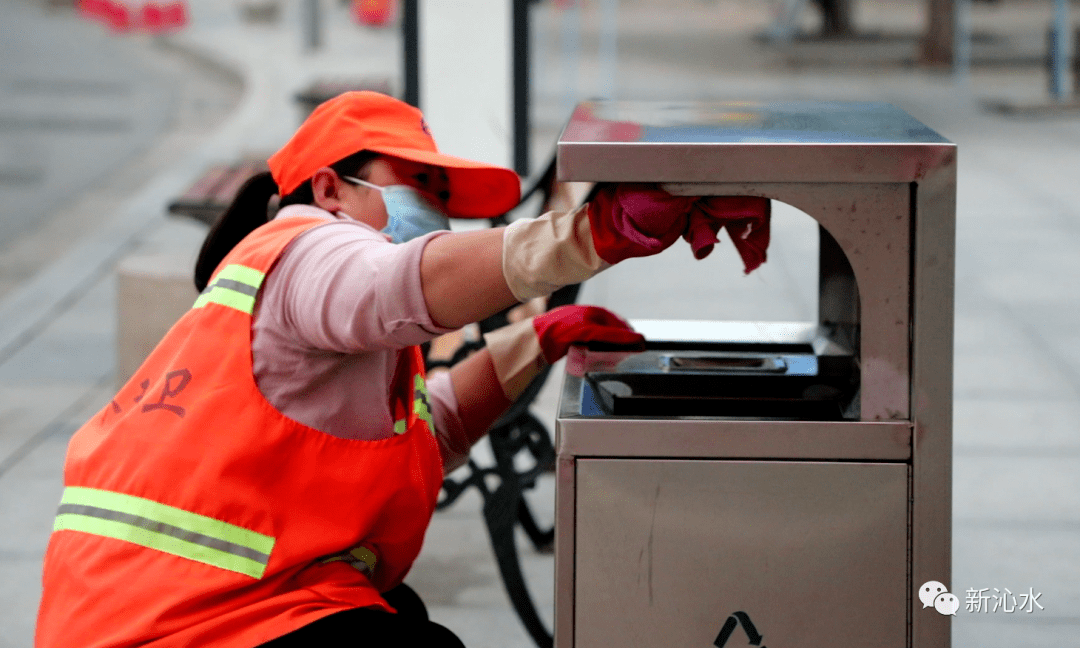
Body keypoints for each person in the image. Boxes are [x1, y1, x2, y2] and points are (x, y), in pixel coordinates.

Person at [34, 91, 753, 648]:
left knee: (398, 615)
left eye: (439, 193)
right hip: (174, 624)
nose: (433, 208)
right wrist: (588, 236)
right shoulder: (303, 249)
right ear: (328, 189)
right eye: (414, 181)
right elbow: (399, 284)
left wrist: (535, 340)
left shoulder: (328, 324)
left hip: (187, 611)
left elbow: (421, 435)